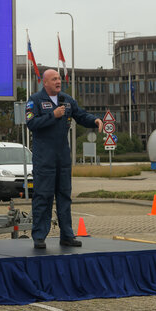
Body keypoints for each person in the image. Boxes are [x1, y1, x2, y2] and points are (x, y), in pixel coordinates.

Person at [26, 68, 103, 249]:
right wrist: (52, 115)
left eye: (59, 79)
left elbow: (81, 115)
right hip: (44, 159)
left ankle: (67, 235)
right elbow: (31, 123)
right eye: (54, 79)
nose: (58, 82)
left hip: (63, 158)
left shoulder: (67, 101)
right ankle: (39, 236)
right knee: (43, 197)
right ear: (45, 83)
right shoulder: (35, 100)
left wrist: (95, 121)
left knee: (64, 197)